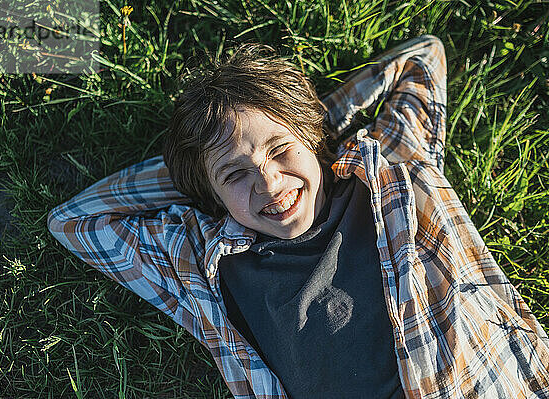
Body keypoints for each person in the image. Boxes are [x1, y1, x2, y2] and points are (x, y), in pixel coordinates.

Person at [47, 35, 549, 398]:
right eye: (236, 175)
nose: (268, 184)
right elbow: (77, 221)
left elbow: (422, 59)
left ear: (310, 137)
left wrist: (313, 126)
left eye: (281, 150)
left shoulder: (384, 171)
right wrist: (200, 170)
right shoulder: (202, 262)